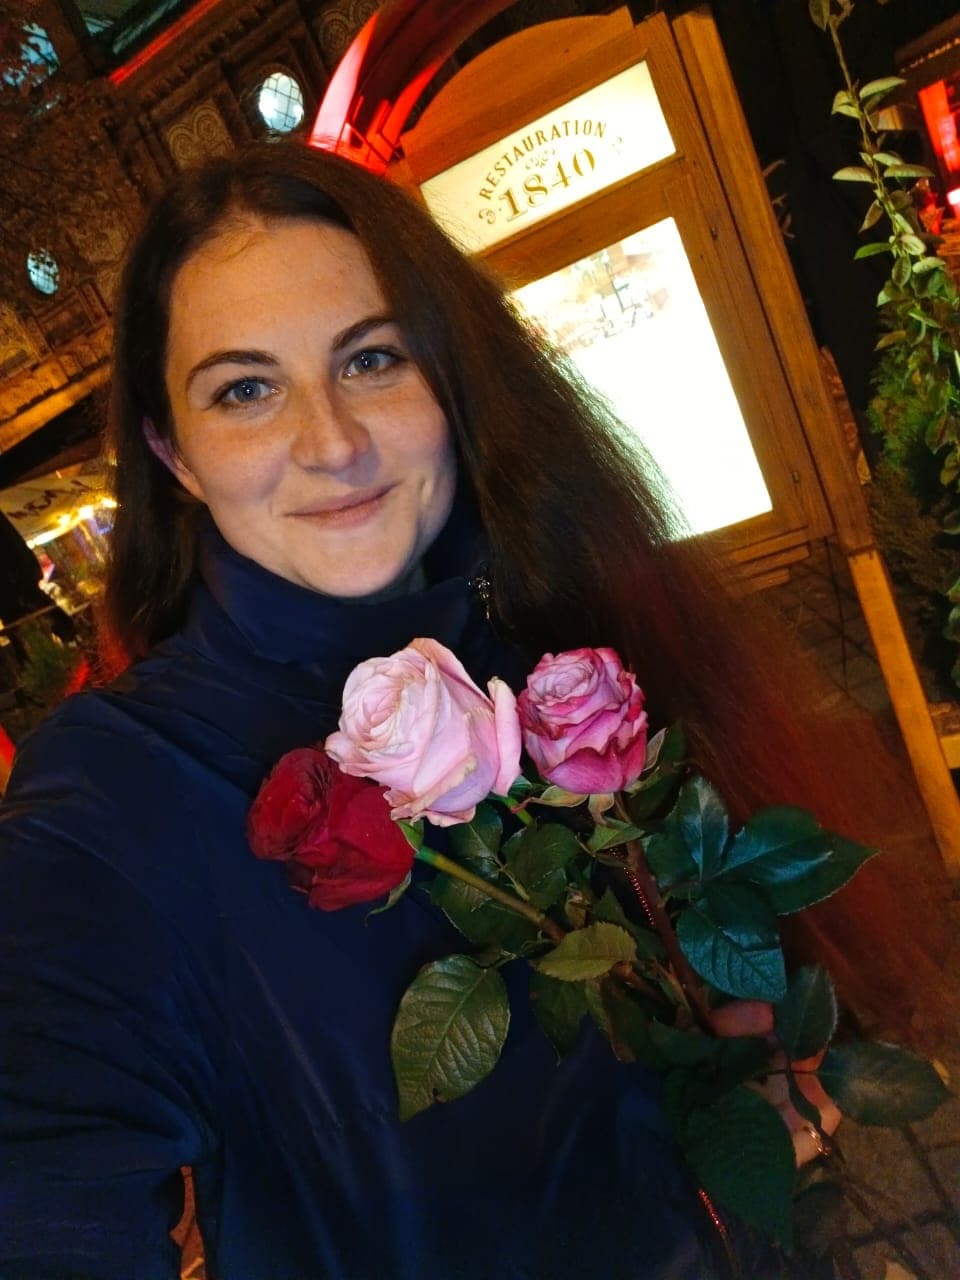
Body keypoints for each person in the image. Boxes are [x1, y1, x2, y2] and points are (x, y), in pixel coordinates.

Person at [0, 141, 953, 1280]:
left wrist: (733, 1101)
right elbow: (45, 1174)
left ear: (450, 378)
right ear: (175, 454)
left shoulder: (563, 643)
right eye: (245, 389)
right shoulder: (115, 790)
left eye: (373, 359)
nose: (332, 441)